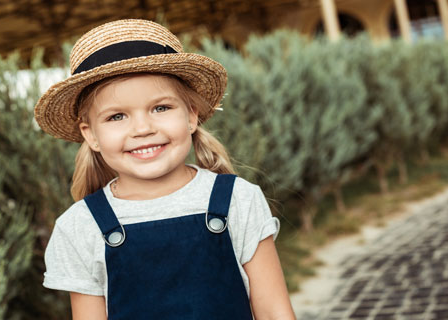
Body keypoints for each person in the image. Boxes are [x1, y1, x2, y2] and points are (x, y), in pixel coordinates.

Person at [35, 19, 296, 320]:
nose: (143, 129)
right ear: (91, 134)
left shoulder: (239, 199)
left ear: (191, 116)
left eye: (161, 108)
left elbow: (275, 311)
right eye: (117, 116)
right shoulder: (80, 227)